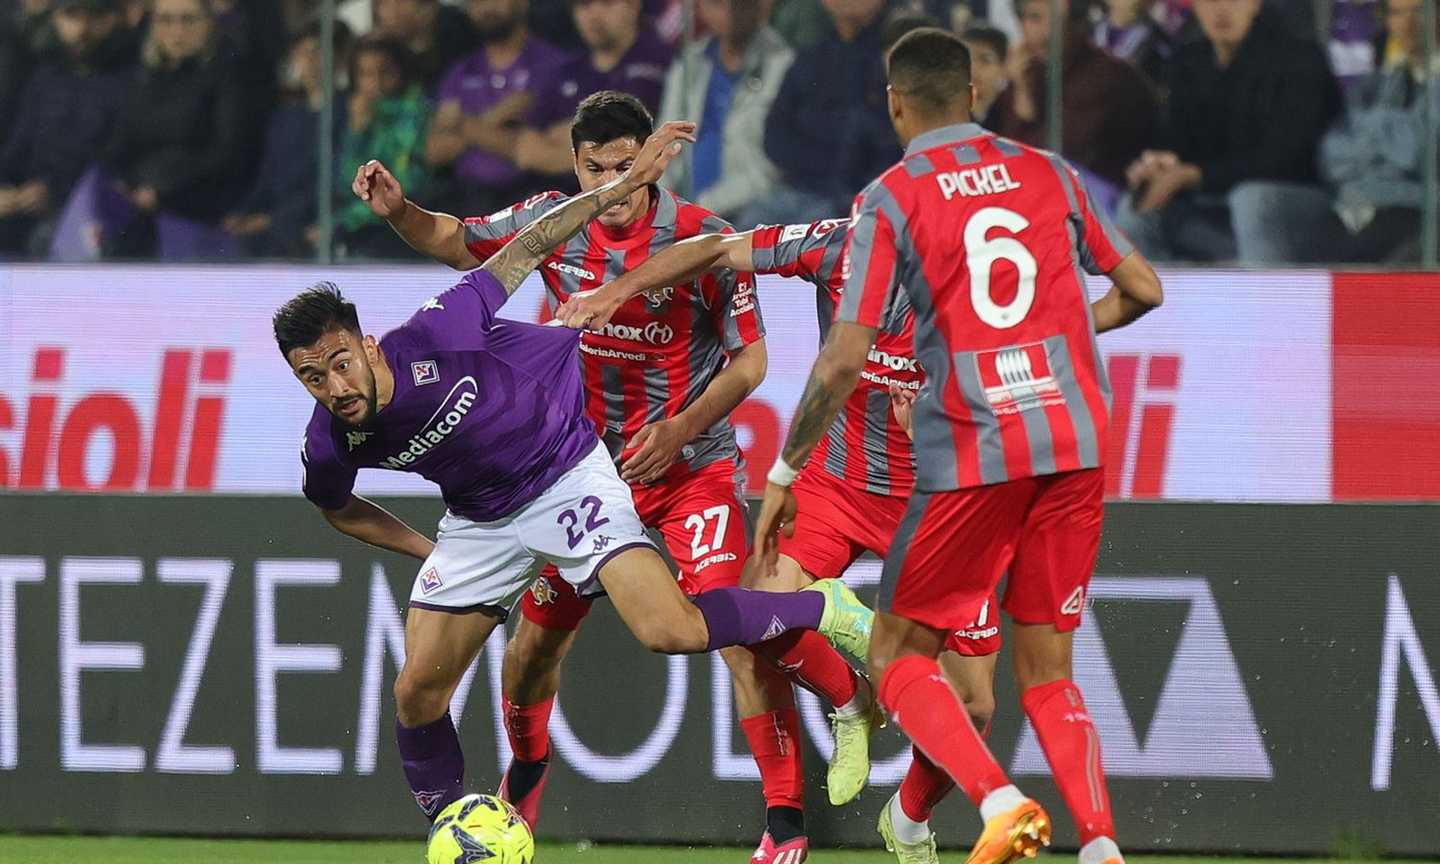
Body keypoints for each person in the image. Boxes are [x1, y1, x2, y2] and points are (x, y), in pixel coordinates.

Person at [289, 119, 871, 831]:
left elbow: (744, 358)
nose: (334, 384)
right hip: (482, 517)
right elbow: (335, 505)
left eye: (340, 363)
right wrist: (423, 548)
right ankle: (467, 823)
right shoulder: (329, 438)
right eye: (313, 377)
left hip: (584, 468)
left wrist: (681, 423)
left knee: (679, 630)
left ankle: (820, 658)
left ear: (366, 345)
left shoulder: (439, 331)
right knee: (435, 685)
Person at [752, 27, 1163, 864]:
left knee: (903, 653)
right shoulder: (1050, 174)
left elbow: (842, 356)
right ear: (977, 94)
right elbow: (1145, 290)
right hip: (1078, 440)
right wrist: (1052, 345)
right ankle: (1101, 847)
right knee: (1048, 674)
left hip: (980, 449)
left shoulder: (893, 197)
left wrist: (786, 468)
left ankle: (1000, 800)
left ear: (895, 103)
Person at [554, 214, 1010, 859]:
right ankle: (852, 701)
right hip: (834, 485)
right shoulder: (833, 245)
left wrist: (933, 430)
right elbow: (711, 247)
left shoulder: (983, 303)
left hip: (938, 500)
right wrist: (615, 292)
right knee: (755, 616)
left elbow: (1014, 432)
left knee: (974, 703)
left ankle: (907, 818)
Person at [1115, 0, 1341, 263]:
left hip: (1297, 201)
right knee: (1135, 206)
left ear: (1255, 4)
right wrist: (1159, 165)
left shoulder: (1300, 58)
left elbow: (1287, 158)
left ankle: (1266, 300)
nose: (1220, 10)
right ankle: (1158, 301)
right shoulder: (1188, 61)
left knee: (1252, 200)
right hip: (1211, 196)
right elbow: (1175, 141)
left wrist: (1194, 175)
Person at [98, 0, 253, 256]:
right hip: (137, 206)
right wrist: (123, 185)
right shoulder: (144, 79)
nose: (176, 30)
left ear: (210, 24)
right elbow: (119, 143)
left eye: (188, 19)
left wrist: (162, 193)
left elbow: (228, 152)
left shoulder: (230, 78)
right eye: (165, 20)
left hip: (199, 209)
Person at [748, 0, 898, 226]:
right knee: (743, 232)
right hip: (794, 188)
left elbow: (887, 143)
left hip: (856, 199)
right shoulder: (811, 56)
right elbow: (775, 133)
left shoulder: (892, 56)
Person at [0, 0, 131, 257]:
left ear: (114, 19)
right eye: (72, 15)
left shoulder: (129, 81)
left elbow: (114, 154)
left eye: (95, 15)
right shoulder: (44, 78)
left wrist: (52, 190)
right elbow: (17, 147)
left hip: (89, 205)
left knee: (46, 239)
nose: (83, 28)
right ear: (56, 19)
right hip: (29, 199)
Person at [1317, 0, 1440, 263]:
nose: (1408, 24)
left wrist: (1370, 129)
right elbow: (1331, 158)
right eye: (1397, 13)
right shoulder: (1375, 85)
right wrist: (1393, 137)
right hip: (1362, 208)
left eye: (1419, 12)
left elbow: (1418, 151)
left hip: (1420, 215)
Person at [990, 0, 1158, 191]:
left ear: (1078, 23)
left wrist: (1023, 103)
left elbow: (1058, 156)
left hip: (1103, 198)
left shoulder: (1105, 75)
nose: (1047, 32)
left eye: (1059, 21)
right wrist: (1022, 92)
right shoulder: (1028, 69)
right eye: (1035, 19)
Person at [424, 0, 571, 214]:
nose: (486, 7)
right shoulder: (460, 72)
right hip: (465, 200)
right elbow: (435, 152)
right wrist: (495, 118)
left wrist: (461, 125)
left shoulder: (554, 65)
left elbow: (540, 150)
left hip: (533, 200)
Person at [223, 21, 350, 259]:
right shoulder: (285, 117)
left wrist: (272, 219)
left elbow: (333, 181)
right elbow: (267, 178)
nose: (310, 61)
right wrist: (244, 211)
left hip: (308, 226)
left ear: (338, 57)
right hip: (273, 224)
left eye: (318, 51)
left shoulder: (346, 113)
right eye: (302, 53)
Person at [656, 0, 793, 220]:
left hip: (747, 214)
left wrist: (702, 207)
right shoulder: (689, 62)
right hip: (678, 211)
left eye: (739, 3)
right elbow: (663, 143)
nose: (729, 11)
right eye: (717, 3)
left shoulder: (783, 65)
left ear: (763, 5)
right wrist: (660, 206)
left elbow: (769, 169)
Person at [514, 0, 674, 179]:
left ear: (633, 6)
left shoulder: (659, 63)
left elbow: (629, 146)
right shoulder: (565, 71)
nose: (594, 15)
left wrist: (558, 137)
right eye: (584, 5)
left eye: (607, 4)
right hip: (558, 200)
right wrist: (596, 140)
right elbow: (525, 153)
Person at [335, 36, 431, 258]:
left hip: (400, 223)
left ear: (400, 72)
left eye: (384, 72)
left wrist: (342, 222)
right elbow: (344, 183)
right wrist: (357, 132)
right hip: (360, 220)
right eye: (366, 74)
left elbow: (406, 183)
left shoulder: (415, 112)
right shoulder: (351, 113)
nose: (376, 82)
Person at [371, 0, 476, 93]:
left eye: (400, 1)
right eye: (382, 3)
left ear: (428, 7)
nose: (391, 12)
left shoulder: (459, 33)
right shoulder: (383, 51)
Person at [959, 23, 1008, 127]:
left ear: (1003, 67)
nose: (973, 68)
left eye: (985, 60)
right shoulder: (946, 114)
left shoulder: (1011, 111)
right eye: (966, 59)